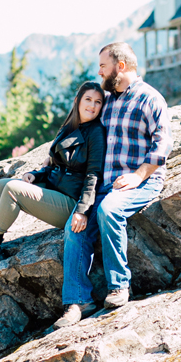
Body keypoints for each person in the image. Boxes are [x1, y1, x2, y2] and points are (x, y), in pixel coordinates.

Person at [55, 42, 172, 329]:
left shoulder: (149, 98)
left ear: (120, 67)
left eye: (103, 66)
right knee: (75, 227)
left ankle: (119, 287)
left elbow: (163, 143)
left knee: (108, 211)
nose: (99, 71)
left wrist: (139, 175)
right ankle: (78, 301)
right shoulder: (108, 101)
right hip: (105, 184)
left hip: (139, 182)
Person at [0, 82, 107, 267]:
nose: (92, 106)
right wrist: (36, 175)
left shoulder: (96, 132)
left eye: (98, 102)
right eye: (88, 99)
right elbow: (57, 164)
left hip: (71, 203)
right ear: (77, 100)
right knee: (2, 184)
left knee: (13, 190)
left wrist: (82, 211)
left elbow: (93, 175)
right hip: (56, 189)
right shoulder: (69, 126)